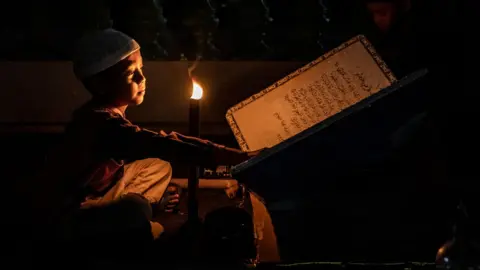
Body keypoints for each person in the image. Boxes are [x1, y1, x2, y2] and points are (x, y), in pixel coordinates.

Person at [30, 29, 256, 256]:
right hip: (72, 213)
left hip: (102, 190)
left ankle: (138, 213)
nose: (142, 78)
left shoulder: (108, 115)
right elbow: (163, 143)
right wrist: (231, 156)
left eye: (141, 69)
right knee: (132, 211)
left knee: (157, 166)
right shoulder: (101, 125)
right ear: (100, 85)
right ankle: (136, 225)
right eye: (131, 74)